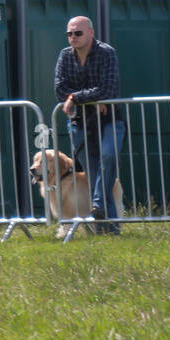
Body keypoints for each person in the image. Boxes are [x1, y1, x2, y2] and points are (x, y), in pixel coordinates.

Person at [54, 15, 124, 235]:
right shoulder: (65, 56)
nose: (72, 37)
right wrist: (90, 101)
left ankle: (98, 203)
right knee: (94, 172)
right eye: (69, 33)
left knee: (108, 158)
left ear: (91, 32)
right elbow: (59, 90)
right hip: (80, 121)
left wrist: (74, 98)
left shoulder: (107, 53)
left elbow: (108, 89)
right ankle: (108, 230)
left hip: (110, 119)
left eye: (78, 33)